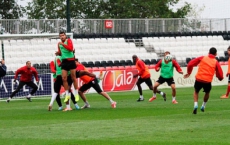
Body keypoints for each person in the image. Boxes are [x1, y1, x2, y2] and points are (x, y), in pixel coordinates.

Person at [184, 47, 223, 114]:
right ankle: (203, 106)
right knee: (207, 92)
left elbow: (190, 63)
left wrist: (189, 72)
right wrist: (220, 78)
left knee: (196, 91)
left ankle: (195, 105)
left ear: (208, 52)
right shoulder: (215, 62)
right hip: (207, 81)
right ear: (216, 54)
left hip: (199, 78)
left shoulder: (203, 58)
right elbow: (220, 72)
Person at [56, 31, 79, 103]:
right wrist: (58, 53)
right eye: (60, 36)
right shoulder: (59, 44)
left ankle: (76, 94)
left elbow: (70, 49)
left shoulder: (68, 40)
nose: (62, 37)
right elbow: (60, 52)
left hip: (71, 61)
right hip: (64, 61)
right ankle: (67, 94)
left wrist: (62, 44)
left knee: (73, 77)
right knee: (64, 78)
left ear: (65, 36)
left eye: (63, 35)